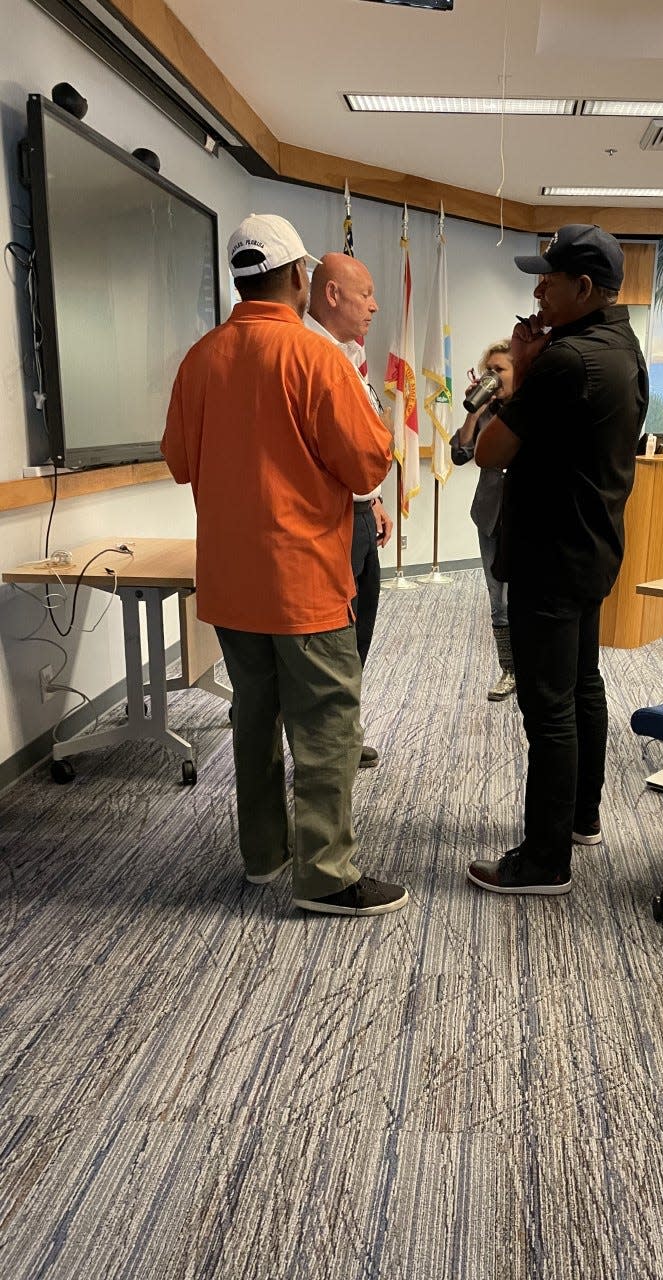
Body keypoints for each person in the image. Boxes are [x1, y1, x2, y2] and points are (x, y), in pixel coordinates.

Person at [162, 213, 407, 917]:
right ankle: (328, 877)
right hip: (302, 584)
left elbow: (181, 462)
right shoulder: (316, 358)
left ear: (240, 280)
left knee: (254, 715)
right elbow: (366, 460)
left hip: (231, 588)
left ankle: (264, 855)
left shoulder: (200, 358)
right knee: (327, 725)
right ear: (300, 277)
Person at [465, 224, 649, 896]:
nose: (536, 288)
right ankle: (581, 817)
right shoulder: (623, 346)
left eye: (547, 278)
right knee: (582, 686)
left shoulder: (566, 361)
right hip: (592, 544)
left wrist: (520, 366)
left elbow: (489, 451)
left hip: (550, 551)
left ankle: (543, 862)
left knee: (548, 708)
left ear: (583, 287)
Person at [306, 252, 393, 766]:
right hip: (327, 521)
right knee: (330, 644)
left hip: (358, 511)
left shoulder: (345, 353)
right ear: (333, 294)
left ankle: (343, 732)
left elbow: (354, 443)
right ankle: (326, 745)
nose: (375, 307)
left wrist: (374, 500)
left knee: (357, 635)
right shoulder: (310, 354)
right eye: (366, 295)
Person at [451, 341, 516, 701]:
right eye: (488, 369)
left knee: (523, 600)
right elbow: (461, 453)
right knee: (498, 600)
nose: (493, 376)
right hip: (490, 515)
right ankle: (508, 670)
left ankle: (531, 667)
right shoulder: (486, 412)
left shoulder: (527, 410)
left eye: (500, 370)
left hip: (526, 518)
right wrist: (474, 412)